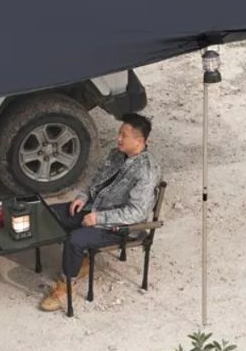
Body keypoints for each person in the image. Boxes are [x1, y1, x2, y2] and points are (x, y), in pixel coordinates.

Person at [40, 113, 160, 312]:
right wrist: (83, 197)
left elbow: (137, 212)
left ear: (139, 141)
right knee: (51, 214)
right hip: (94, 207)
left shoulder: (146, 171)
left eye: (123, 135)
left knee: (75, 239)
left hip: (119, 227)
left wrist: (99, 218)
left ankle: (66, 285)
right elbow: (96, 179)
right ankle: (79, 261)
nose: (118, 138)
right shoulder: (116, 154)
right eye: (119, 133)